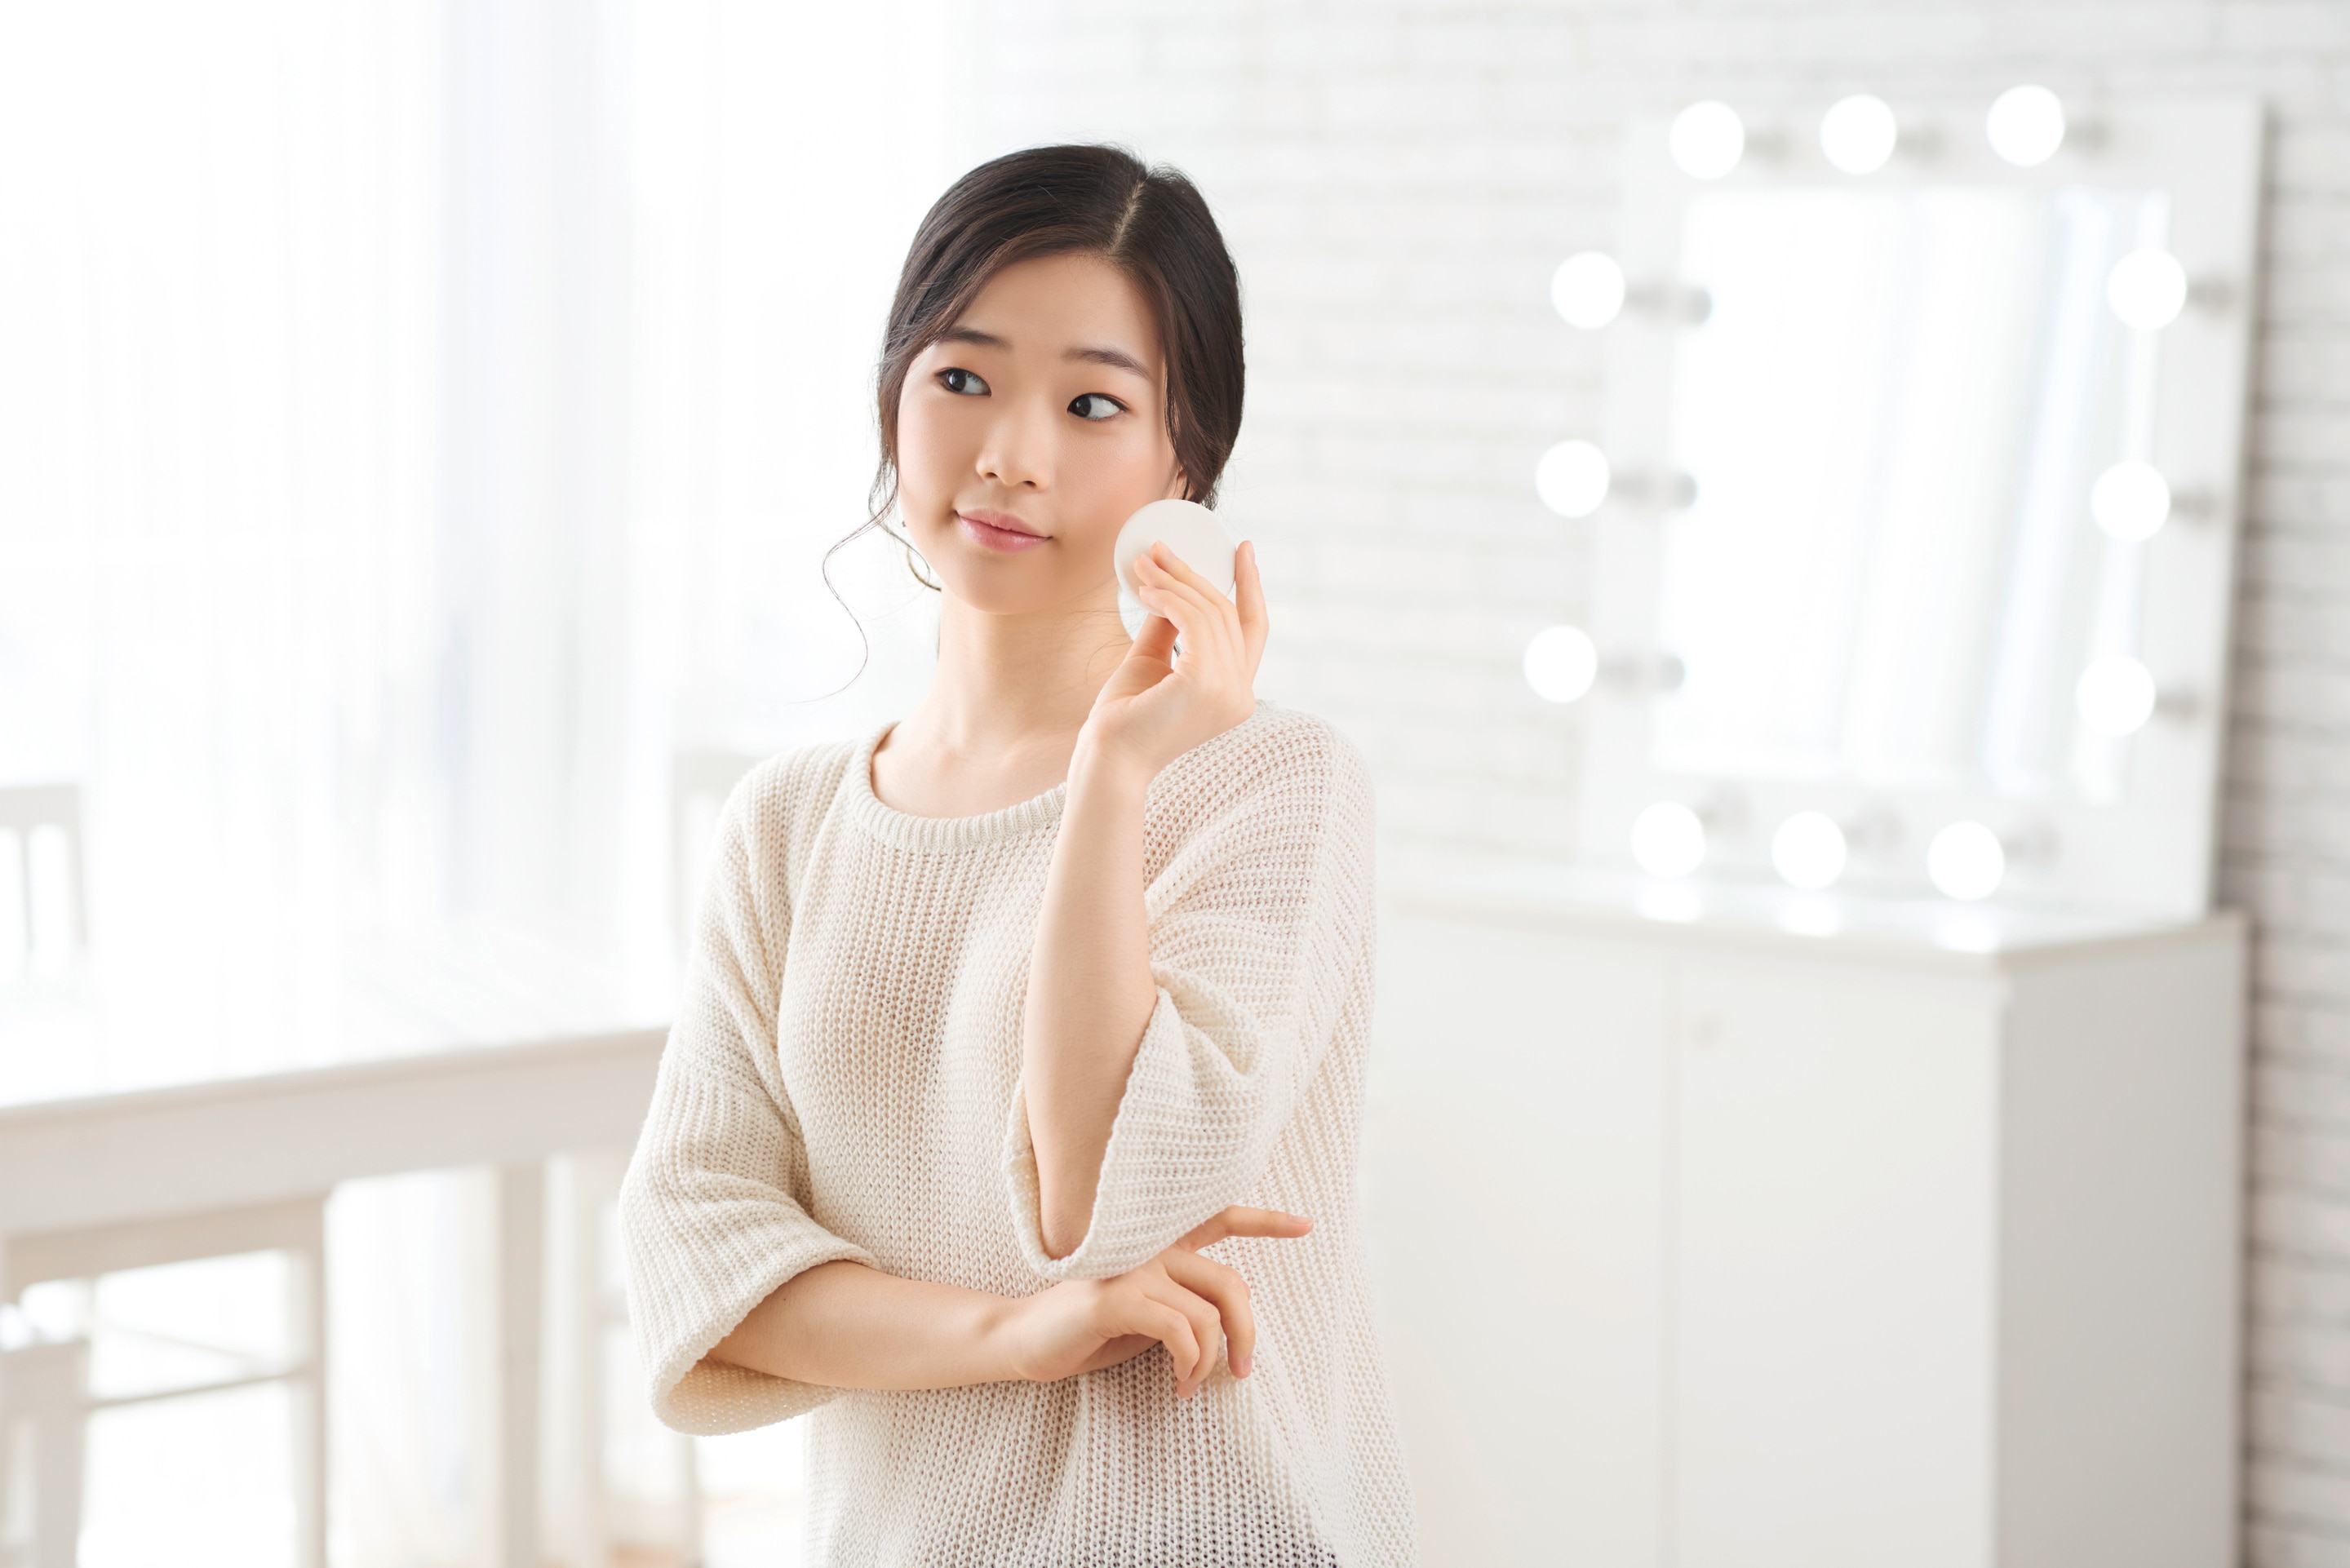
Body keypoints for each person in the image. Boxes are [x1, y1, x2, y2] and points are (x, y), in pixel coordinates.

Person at [620, 143, 1413, 1567]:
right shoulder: (789, 823)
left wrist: (1113, 774)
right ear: (892, 399)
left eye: (1091, 402)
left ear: (1188, 461)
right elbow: (697, 1252)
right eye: (964, 376)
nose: (1012, 453)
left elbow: (1100, 1192)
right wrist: (1012, 1333)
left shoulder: (1270, 785)